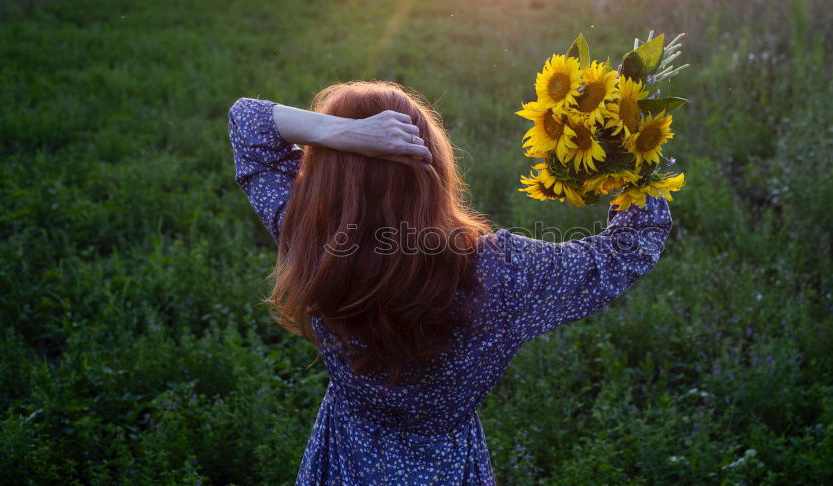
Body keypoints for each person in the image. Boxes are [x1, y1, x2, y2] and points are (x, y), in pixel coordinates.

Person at [228, 80, 673, 485]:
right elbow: (629, 249)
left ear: (324, 172)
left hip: (346, 455)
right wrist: (630, 144)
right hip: (446, 466)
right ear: (431, 162)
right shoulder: (503, 271)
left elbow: (247, 123)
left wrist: (347, 135)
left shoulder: (310, 236)